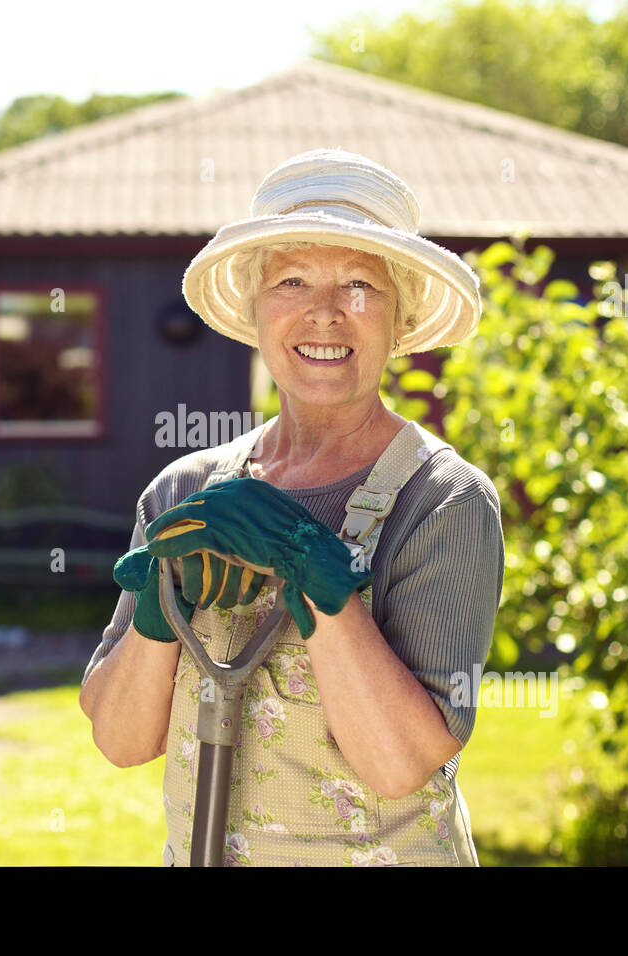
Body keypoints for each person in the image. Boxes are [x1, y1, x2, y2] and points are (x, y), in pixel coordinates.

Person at [79, 148, 504, 866]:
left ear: (399, 323)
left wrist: (323, 578)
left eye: (362, 285)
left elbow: (401, 764)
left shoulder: (443, 500)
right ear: (255, 309)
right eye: (293, 280)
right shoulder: (183, 493)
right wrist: (158, 613)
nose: (326, 313)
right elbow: (120, 741)